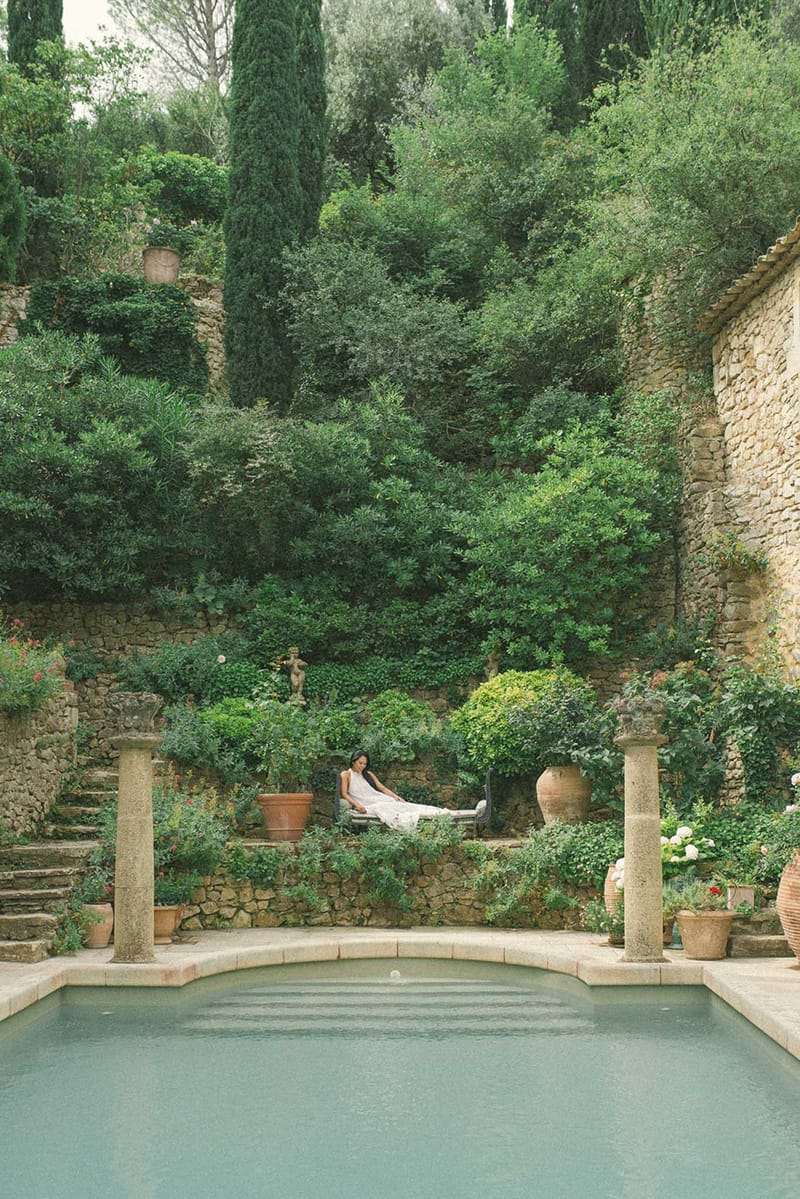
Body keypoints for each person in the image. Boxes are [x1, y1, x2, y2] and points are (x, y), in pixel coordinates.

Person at [340, 751, 486, 832]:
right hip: (369, 806)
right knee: (392, 811)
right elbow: (345, 794)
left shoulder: (369, 774)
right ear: (353, 761)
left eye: (365, 763)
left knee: (409, 806)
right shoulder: (346, 774)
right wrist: (357, 805)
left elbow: (382, 789)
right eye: (360, 763)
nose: (363, 766)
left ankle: (449, 813)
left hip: (381, 800)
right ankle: (453, 814)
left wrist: (397, 797)